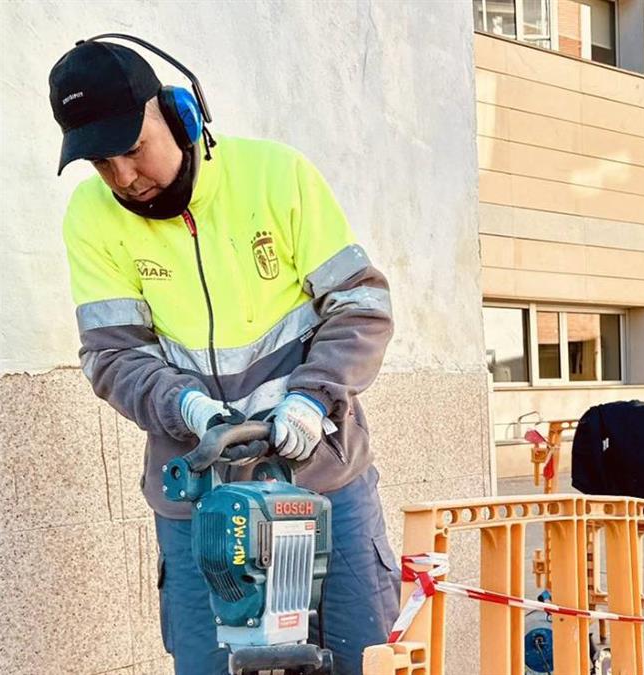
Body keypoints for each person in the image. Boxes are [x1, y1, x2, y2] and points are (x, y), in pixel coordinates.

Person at [50, 37, 399, 674]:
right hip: (196, 502)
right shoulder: (91, 218)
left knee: (362, 658)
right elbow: (111, 356)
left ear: (181, 115)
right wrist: (187, 408)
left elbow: (361, 308)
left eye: (132, 149)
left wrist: (312, 400)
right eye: (102, 163)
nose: (124, 177)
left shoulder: (275, 176)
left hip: (325, 480)